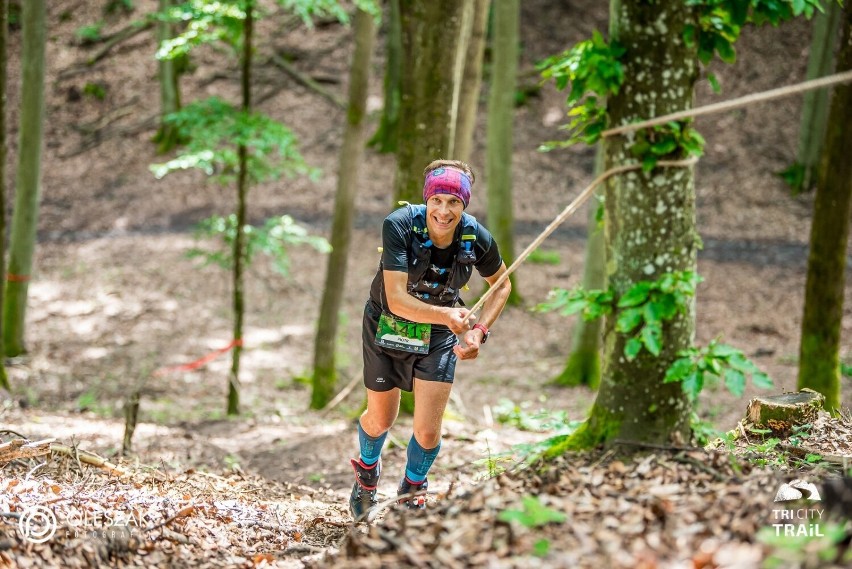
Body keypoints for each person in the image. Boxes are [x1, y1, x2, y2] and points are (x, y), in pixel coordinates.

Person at [348, 159, 512, 520]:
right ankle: (367, 475)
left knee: (427, 428)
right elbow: (395, 297)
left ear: (464, 204)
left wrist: (479, 331)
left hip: (439, 336)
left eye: (454, 202)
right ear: (427, 200)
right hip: (387, 324)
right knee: (381, 419)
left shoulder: (476, 236)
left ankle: (412, 489)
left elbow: (502, 284)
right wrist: (448, 316)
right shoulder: (399, 225)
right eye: (437, 199)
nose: (444, 210)